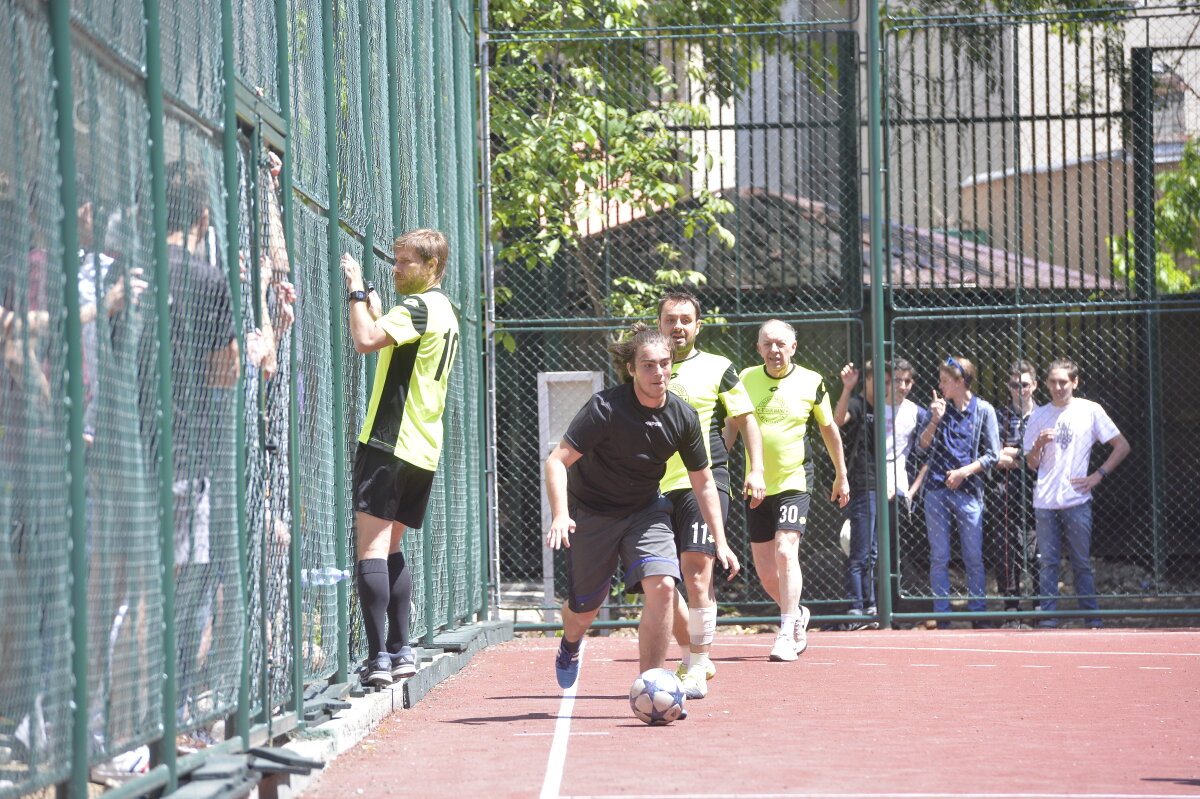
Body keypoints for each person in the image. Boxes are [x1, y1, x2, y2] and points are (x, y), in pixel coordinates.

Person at [544, 324, 739, 697]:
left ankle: (651, 686)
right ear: (632, 369)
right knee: (584, 612)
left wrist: (722, 541)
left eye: (665, 364)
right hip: (593, 511)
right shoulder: (605, 408)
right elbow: (557, 461)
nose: (659, 372)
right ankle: (570, 643)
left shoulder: (682, 416)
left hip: (645, 511)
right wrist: (560, 513)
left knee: (664, 586)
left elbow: (703, 482)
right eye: (649, 365)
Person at [341, 229, 459, 687]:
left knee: (371, 549)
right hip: (422, 449)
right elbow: (398, 341)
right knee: (391, 549)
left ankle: (378, 659)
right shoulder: (443, 310)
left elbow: (365, 340)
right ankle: (401, 649)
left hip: (389, 441)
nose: (396, 268)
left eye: (406, 261)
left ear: (432, 266)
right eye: (396, 259)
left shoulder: (418, 306)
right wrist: (376, 308)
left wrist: (355, 289)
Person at [656, 290, 765, 700]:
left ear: (698, 326)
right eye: (671, 319)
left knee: (697, 571)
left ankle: (697, 666)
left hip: (705, 483)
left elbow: (746, 420)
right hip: (655, 486)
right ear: (660, 324)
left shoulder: (719, 368)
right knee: (659, 579)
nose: (678, 327)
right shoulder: (648, 368)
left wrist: (756, 469)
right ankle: (692, 655)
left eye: (685, 320)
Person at [733, 320, 849, 661]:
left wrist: (841, 475)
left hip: (794, 480)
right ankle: (796, 613)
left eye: (781, 344)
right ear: (758, 348)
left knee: (786, 551)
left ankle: (785, 632)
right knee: (766, 572)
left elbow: (829, 429)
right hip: (756, 484)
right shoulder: (745, 378)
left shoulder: (811, 381)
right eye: (767, 344)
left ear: (793, 348)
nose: (774, 350)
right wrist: (713, 467)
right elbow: (730, 426)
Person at [1023, 359, 1130, 629]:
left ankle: (1092, 620)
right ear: (1046, 384)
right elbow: (1031, 463)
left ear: (1075, 382)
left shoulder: (1090, 410)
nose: (1058, 387)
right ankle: (1048, 620)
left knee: (1081, 562)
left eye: (1063, 382)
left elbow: (1121, 445)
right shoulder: (1038, 415)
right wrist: (1038, 445)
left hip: (1077, 500)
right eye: (1053, 382)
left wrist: (1098, 475)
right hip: (1045, 501)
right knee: (1048, 563)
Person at [917, 356, 999, 628]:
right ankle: (943, 617)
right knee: (939, 557)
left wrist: (964, 472)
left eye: (944, 381)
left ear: (960, 381)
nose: (940, 386)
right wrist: (934, 420)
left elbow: (993, 454)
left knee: (973, 557)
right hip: (936, 491)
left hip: (968, 492)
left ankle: (978, 615)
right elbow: (921, 447)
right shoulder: (939, 409)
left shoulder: (983, 410)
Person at [986, 359, 1040, 627]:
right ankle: (1012, 611)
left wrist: (1014, 453)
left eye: (1025, 385)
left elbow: (1045, 458)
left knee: (1039, 550)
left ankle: (1041, 609)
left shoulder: (1044, 414)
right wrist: (1028, 456)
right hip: (1005, 491)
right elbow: (993, 455)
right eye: (1014, 385)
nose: (1020, 390)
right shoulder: (999, 416)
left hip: (1039, 491)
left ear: (1035, 385)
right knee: (1006, 550)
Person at [833, 359, 882, 630]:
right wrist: (847, 388)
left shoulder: (884, 408)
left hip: (880, 486)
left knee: (872, 552)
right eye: (882, 381)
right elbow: (837, 421)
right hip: (862, 485)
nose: (886, 387)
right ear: (869, 380)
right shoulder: (856, 403)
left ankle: (871, 605)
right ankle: (856, 608)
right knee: (860, 552)